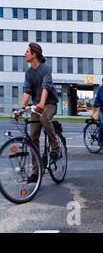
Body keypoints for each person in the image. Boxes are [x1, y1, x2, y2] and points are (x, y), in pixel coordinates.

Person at [20, 43, 60, 183]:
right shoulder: (28, 72)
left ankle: (55, 148)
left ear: (34, 54)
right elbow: (27, 90)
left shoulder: (45, 69)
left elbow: (45, 87)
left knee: (44, 118)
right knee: (33, 136)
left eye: (27, 51)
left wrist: (42, 104)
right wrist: (21, 108)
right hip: (37, 105)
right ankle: (36, 171)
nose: (25, 53)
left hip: (49, 103)